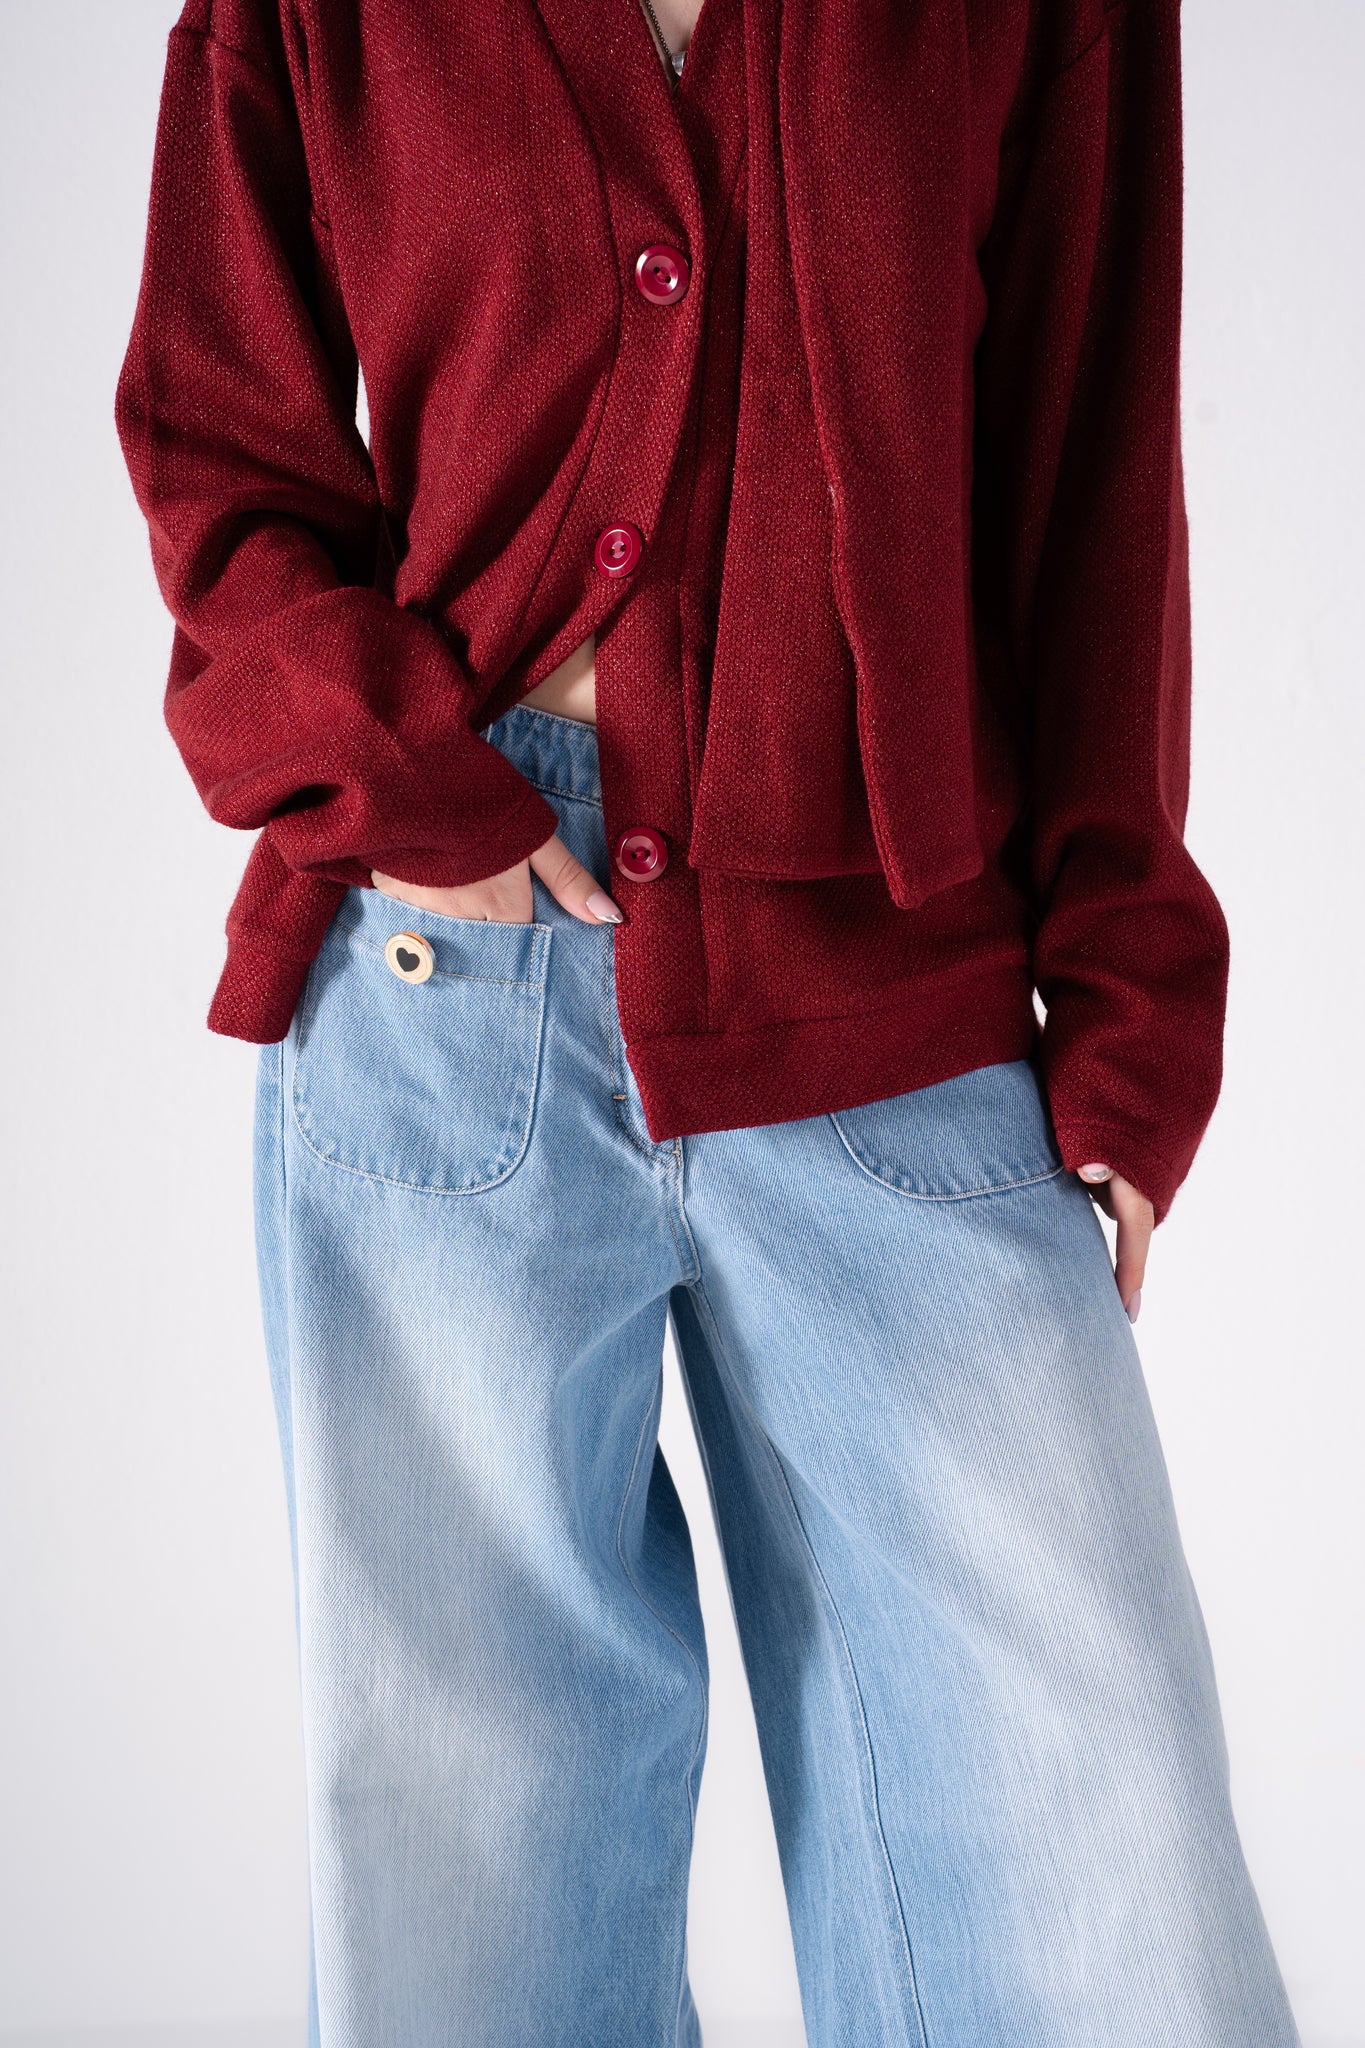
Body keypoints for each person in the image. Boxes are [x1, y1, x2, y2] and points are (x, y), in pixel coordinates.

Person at [116, 0, 1300, 2042]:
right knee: (474, 1884)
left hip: (897, 979)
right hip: (442, 985)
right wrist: (403, 785)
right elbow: (216, 446)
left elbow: (1091, 466)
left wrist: (1124, 1003)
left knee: (1099, 1865)